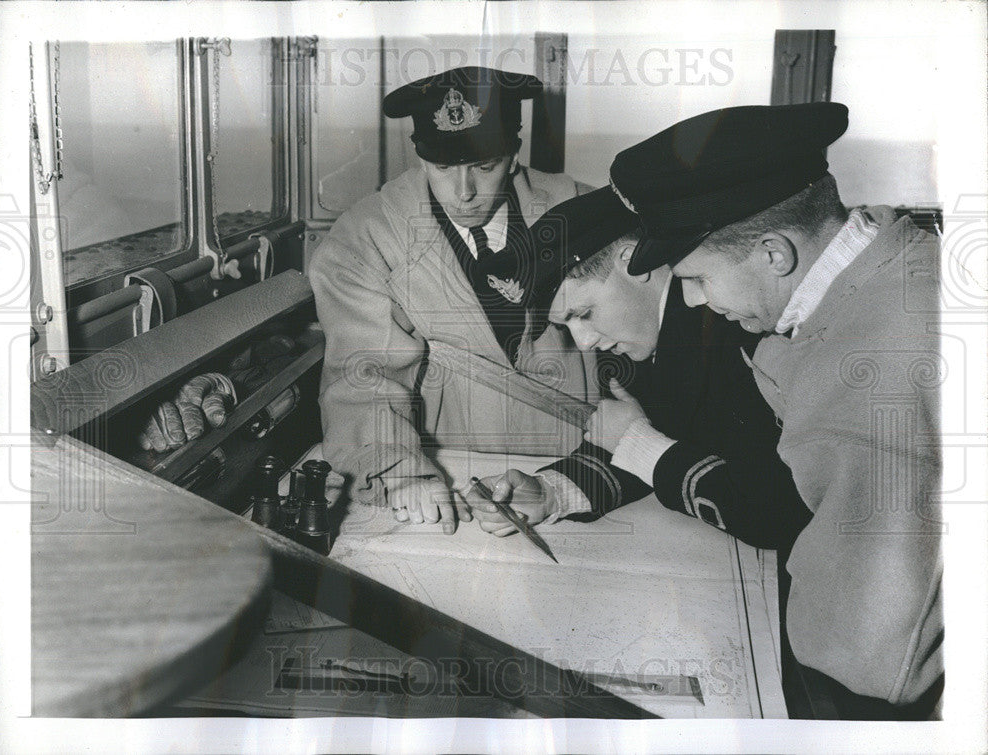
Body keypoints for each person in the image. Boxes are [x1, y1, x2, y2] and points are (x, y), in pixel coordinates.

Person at [592, 102, 942, 716]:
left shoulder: (865, 379)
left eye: (696, 278)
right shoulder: (894, 252)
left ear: (774, 253)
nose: (695, 302)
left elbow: (872, 663)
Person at [308, 67, 598, 534]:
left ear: (513, 155)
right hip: (447, 473)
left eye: (485, 167)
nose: (463, 193)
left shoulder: (582, 211)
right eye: (443, 168)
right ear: (420, 158)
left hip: (575, 469)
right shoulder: (364, 240)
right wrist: (400, 473)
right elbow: (363, 375)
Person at [467, 187, 811, 552]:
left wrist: (636, 443)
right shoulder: (633, 329)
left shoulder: (740, 319)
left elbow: (778, 512)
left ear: (631, 262)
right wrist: (551, 493)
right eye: (567, 326)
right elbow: (642, 434)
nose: (582, 341)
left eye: (582, 314)